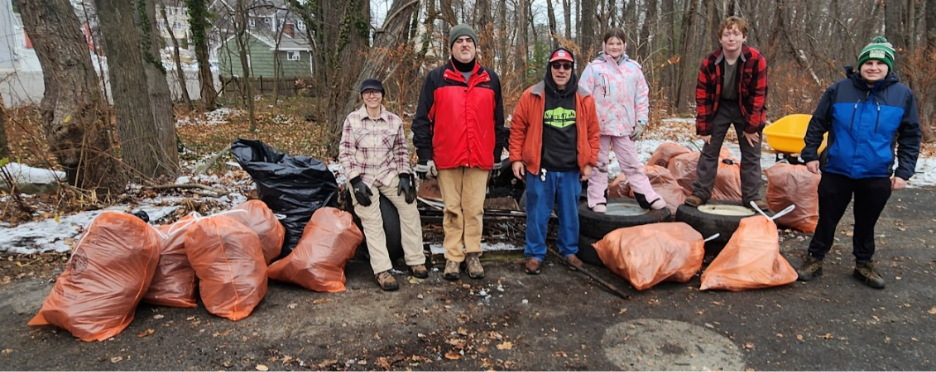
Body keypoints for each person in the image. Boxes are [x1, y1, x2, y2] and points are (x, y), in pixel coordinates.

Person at [795, 37, 921, 289]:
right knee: (827, 219)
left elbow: (911, 135)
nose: (873, 67)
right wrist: (810, 154)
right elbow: (818, 123)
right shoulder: (839, 90)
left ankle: (863, 264)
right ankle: (814, 259)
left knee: (866, 221)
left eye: (879, 63)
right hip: (837, 169)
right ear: (861, 65)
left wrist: (904, 171)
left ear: (888, 67)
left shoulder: (902, 96)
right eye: (868, 62)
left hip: (876, 172)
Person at [412, 24, 508, 281]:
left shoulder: (490, 79)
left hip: (479, 156)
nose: (464, 45)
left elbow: (498, 121)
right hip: (447, 156)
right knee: (452, 209)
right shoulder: (436, 78)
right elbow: (422, 119)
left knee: (475, 209)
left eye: (469, 41)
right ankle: (453, 258)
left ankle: (473, 254)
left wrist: (496, 154)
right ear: (452, 47)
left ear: (475, 47)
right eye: (459, 41)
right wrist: (425, 155)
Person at [509, 48, 600, 274]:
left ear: (572, 69)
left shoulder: (584, 97)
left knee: (570, 214)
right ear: (550, 68)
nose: (561, 70)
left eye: (566, 66)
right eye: (556, 65)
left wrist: (589, 162)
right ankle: (534, 254)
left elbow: (593, 133)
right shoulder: (532, 95)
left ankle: (569, 250)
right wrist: (516, 159)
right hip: (540, 168)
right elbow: (518, 128)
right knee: (537, 214)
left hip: (571, 169)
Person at [339, 78, 427, 291]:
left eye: (375, 92)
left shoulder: (393, 120)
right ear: (362, 96)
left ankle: (415, 259)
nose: (372, 96)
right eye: (367, 92)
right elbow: (346, 152)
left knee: (409, 208)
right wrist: (355, 180)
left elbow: (400, 151)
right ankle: (382, 270)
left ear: (382, 95)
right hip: (363, 177)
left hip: (388, 174)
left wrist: (405, 175)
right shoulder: (353, 120)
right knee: (372, 219)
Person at [684, 16, 769, 211]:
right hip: (719, 106)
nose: (731, 38)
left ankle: (752, 196)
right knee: (709, 150)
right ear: (720, 39)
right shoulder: (710, 62)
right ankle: (700, 193)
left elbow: (759, 96)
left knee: (751, 152)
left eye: (736, 34)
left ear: (744, 37)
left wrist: (751, 127)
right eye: (727, 34)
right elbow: (702, 96)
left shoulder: (757, 60)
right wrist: (704, 128)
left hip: (746, 108)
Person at [579, 28, 666, 212]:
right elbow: (582, 97)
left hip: (624, 126)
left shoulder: (633, 69)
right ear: (604, 45)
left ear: (624, 45)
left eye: (618, 43)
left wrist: (641, 121)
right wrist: (584, 123)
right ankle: (597, 199)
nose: (615, 47)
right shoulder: (594, 68)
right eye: (611, 43)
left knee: (632, 164)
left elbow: (642, 97)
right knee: (599, 164)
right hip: (598, 127)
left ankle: (647, 197)